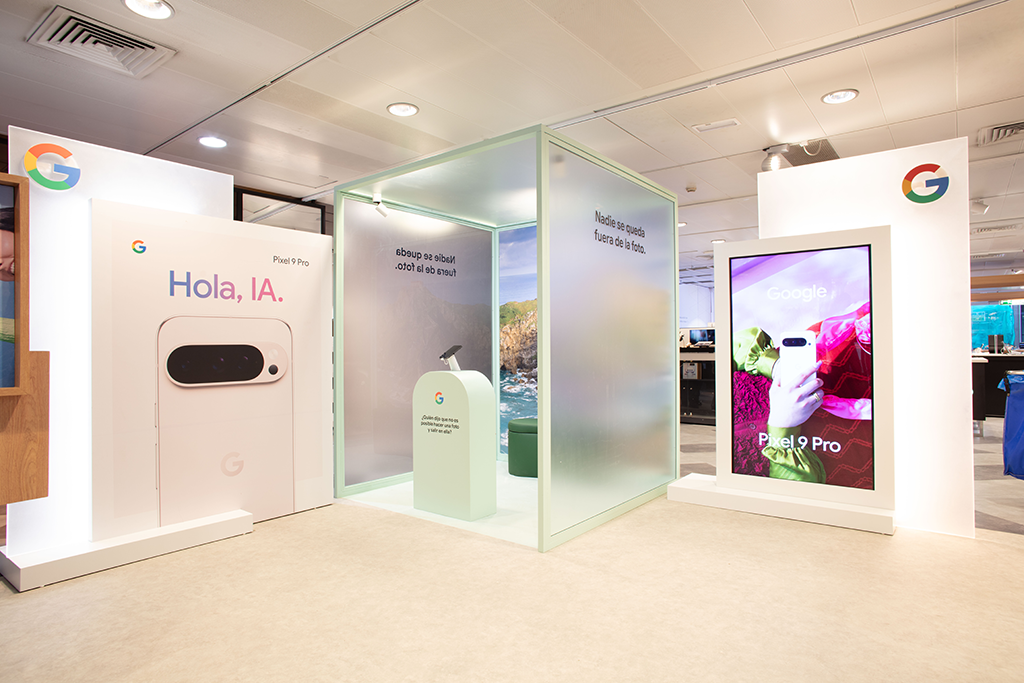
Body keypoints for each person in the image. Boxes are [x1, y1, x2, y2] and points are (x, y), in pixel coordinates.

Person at [731, 301, 874, 488]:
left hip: (806, 365)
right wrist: (782, 426)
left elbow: (731, 348)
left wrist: (773, 365)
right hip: (826, 437)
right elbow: (793, 490)